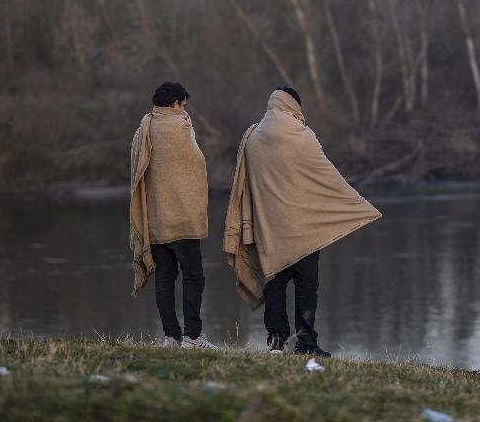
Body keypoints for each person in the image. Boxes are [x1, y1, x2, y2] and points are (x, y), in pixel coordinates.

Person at [223, 87, 381, 357]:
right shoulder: (302, 135)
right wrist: (356, 204)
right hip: (304, 229)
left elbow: (245, 186)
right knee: (306, 286)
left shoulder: (252, 138)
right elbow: (326, 175)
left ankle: (276, 342)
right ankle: (306, 343)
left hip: (268, 229)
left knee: (274, 284)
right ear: (293, 105)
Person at [129, 82, 217, 350]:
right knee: (193, 277)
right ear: (175, 103)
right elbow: (196, 165)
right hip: (182, 220)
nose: (185, 110)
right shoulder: (179, 126)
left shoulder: (143, 128)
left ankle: (171, 337)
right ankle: (193, 337)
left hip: (155, 220)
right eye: (183, 105)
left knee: (165, 278)